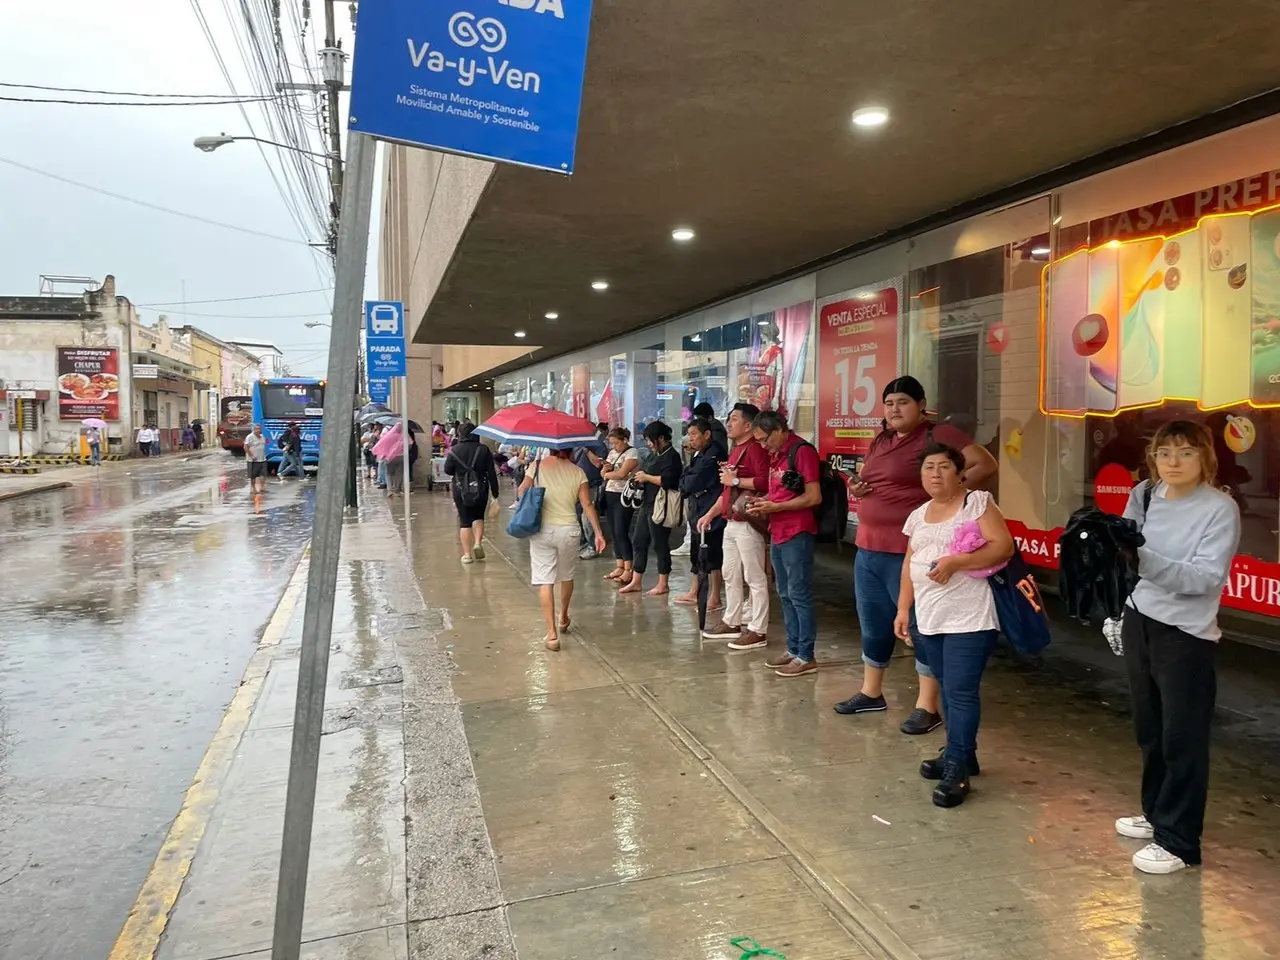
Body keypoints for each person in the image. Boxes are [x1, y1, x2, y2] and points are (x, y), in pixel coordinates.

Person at [834, 375, 998, 733]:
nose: (894, 409)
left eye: (903, 402)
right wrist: (862, 488)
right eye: (889, 403)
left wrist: (950, 494)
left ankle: (928, 706)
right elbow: (879, 480)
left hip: (909, 551)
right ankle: (871, 692)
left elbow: (985, 464)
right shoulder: (882, 438)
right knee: (874, 623)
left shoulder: (937, 435)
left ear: (922, 404)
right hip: (868, 546)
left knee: (922, 629)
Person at [1116, 421, 1240, 875]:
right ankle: (1155, 814)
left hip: (1185, 635)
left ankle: (1179, 841)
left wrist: (1140, 557)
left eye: (1186, 453)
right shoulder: (1146, 494)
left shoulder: (1219, 508)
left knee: (1182, 738)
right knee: (1150, 730)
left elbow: (1204, 578)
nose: (1173, 461)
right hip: (1139, 620)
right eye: (1165, 452)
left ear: (1205, 458)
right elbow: (1126, 554)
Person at [896, 442, 1015, 808]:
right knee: (946, 688)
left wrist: (957, 561)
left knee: (961, 692)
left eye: (944, 466)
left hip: (969, 616)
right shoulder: (918, 514)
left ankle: (958, 769)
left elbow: (1003, 547)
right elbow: (908, 565)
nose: (935, 474)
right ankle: (961, 752)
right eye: (928, 467)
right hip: (929, 617)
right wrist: (903, 611)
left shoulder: (976, 503)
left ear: (959, 471)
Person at [745, 410, 822, 677]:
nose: (764, 446)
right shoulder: (776, 455)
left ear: (779, 430)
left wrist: (775, 506)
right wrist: (764, 501)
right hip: (778, 530)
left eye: (766, 439)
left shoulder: (801, 452)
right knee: (785, 593)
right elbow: (779, 492)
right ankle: (793, 647)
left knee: (799, 594)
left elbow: (813, 497)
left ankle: (806, 655)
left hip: (797, 531)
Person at [516, 448, 606, 651]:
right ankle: (563, 616)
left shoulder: (537, 466)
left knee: (545, 580)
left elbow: (522, 490)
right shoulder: (577, 471)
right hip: (569, 531)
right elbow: (587, 505)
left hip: (542, 530)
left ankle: (551, 635)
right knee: (566, 576)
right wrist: (599, 534)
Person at [698, 403, 770, 647]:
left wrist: (736, 478)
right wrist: (711, 513)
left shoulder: (755, 449)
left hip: (748, 520)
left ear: (748, 425)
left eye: (734, 419)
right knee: (730, 573)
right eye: (728, 418)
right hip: (731, 520)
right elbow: (728, 489)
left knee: (754, 576)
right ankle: (732, 620)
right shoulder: (736, 450)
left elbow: (765, 481)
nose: (728, 423)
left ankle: (758, 629)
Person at [619, 421, 682, 597]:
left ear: (661, 438)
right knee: (639, 540)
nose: (648, 443)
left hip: (661, 505)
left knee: (660, 543)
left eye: (650, 440)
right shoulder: (656, 454)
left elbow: (669, 481)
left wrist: (646, 477)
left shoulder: (672, 456)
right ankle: (636, 580)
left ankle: (663, 583)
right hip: (647, 503)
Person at [675, 418, 727, 612]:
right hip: (697, 509)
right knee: (697, 553)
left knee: (713, 554)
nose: (692, 439)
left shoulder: (715, 454)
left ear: (707, 434)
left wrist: (688, 481)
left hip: (711, 509)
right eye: (690, 435)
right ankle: (695, 590)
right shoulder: (699, 454)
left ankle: (714, 597)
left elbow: (692, 482)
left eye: (695, 434)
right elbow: (684, 479)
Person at [444, 421, 500, 564]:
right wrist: (495, 492)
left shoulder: (454, 450)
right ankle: (477, 543)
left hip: (460, 489)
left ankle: (467, 555)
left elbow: (448, 470)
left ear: (460, 434)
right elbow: (491, 472)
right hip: (481, 488)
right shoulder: (484, 449)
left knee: (464, 521)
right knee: (479, 517)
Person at [601, 428, 640, 584]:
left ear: (625, 440)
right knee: (614, 532)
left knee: (621, 530)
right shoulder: (611, 454)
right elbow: (604, 472)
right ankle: (619, 564)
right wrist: (605, 471)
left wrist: (607, 474)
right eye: (612, 443)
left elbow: (621, 474)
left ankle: (628, 568)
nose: (614, 446)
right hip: (610, 493)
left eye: (616, 443)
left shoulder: (632, 453)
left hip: (624, 496)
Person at [573, 444, 606, 559]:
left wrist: (586, 449)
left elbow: (598, 463)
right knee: (576, 515)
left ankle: (593, 546)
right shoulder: (575, 446)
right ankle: (583, 542)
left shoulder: (598, 446)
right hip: (576, 485)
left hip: (592, 484)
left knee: (587, 517)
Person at [244, 423, 269, 494]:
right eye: (257, 429)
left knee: (263, 474)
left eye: (259, 429)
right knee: (253, 475)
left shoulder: (262, 436)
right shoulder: (250, 437)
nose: (258, 430)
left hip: (262, 459)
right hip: (253, 460)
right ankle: (253, 488)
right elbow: (246, 447)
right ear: (254, 430)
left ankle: (262, 487)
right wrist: (251, 456)